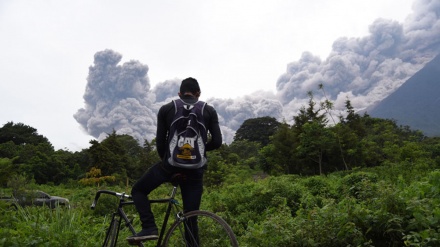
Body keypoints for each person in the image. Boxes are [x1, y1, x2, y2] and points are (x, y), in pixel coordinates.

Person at [127, 77, 222, 243]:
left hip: (169, 167)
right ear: (198, 93)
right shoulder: (209, 110)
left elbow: (160, 144)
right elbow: (218, 142)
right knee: (190, 219)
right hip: (195, 171)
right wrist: (198, 149)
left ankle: (149, 227)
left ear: (179, 93)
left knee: (138, 191)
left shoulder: (166, 109)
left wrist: (169, 166)